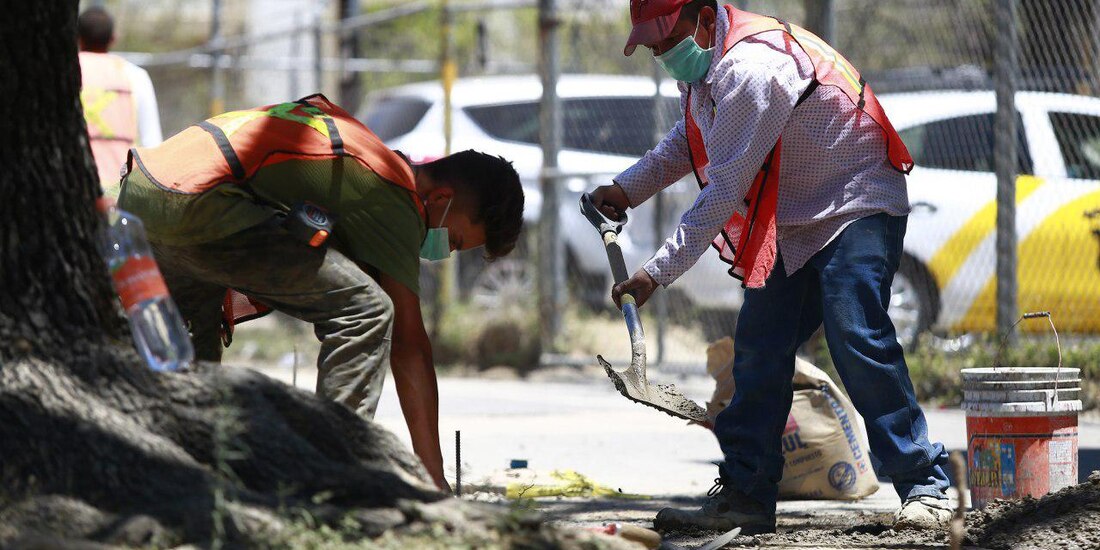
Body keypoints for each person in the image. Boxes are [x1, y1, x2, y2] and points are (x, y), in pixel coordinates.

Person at [588, 0, 952, 534]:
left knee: (856, 334)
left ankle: (926, 486)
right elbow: (687, 146)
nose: (661, 54)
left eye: (666, 41)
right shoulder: (710, 69)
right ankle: (747, 495)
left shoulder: (751, 69)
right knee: (759, 348)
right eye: (653, 46)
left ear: (705, 19)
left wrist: (655, 274)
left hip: (856, 201)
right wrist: (625, 189)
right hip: (798, 217)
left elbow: (724, 190)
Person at [116, 94, 524, 491]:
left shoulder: (361, 153)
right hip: (201, 203)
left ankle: (170, 470)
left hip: (145, 193)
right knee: (368, 311)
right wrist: (433, 480)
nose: (441, 251)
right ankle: (331, 474)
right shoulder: (393, 190)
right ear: (441, 198)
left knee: (191, 347)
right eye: (452, 239)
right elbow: (409, 344)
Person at [78, 6, 163, 192]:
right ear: (113, 39)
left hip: (75, 186)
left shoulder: (65, 73)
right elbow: (153, 144)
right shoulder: (135, 76)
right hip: (121, 189)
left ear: (77, 37)